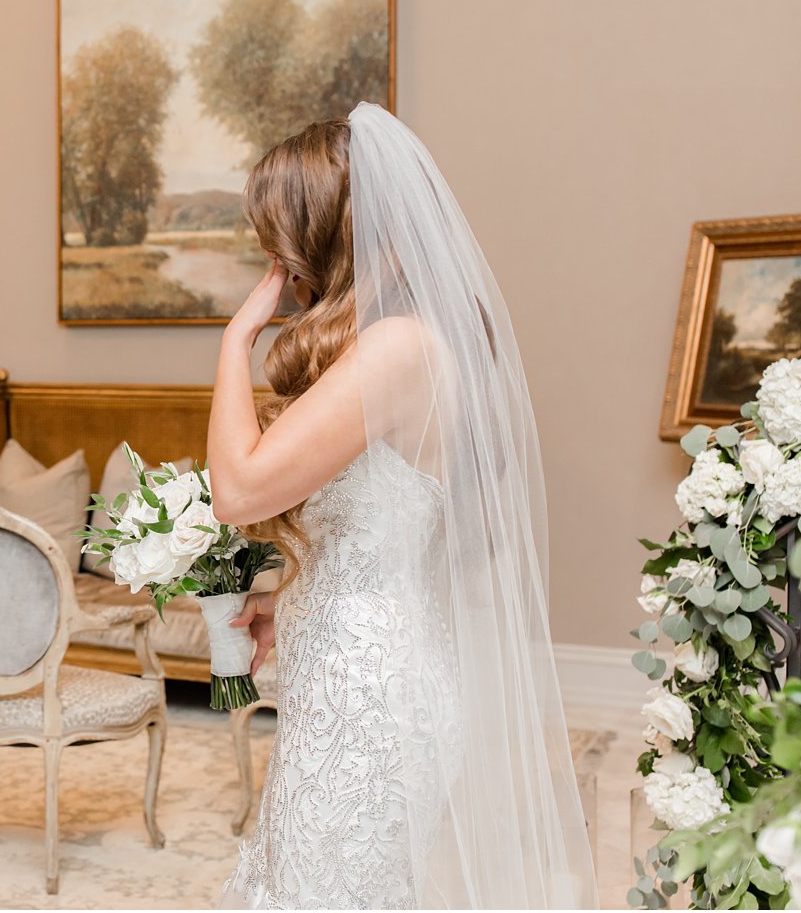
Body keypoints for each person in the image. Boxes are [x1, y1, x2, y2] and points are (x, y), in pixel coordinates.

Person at [209, 105, 597, 908]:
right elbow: (390, 529)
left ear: (322, 237)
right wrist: (296, 604)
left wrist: (232, 342)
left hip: (369, 697)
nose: (274, 266)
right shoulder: (399, 340)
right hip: (356, 671)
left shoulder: (397, 349)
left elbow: (238, 489)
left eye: (278, 242)